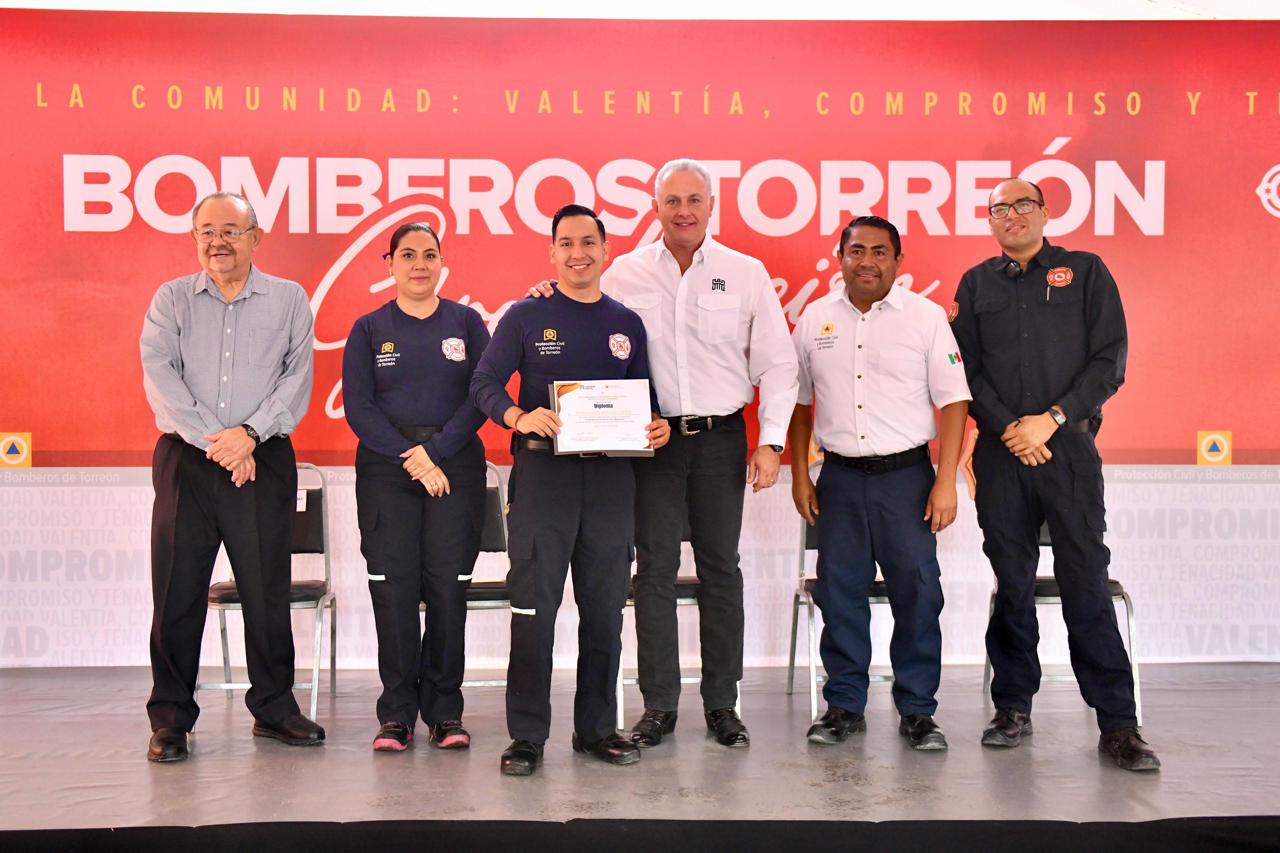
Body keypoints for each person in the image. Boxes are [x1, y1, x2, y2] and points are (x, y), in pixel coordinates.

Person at [529, 158, 798, 748]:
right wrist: (545, 296)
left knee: (720, 570)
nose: (683, 210)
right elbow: (577, 306)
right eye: (671, 200)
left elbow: (778, 365)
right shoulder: (623, 273)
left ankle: (723, 705)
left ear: (711, 206)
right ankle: (659, 706)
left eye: (693, 200)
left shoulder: (745, 272)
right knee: (652, 572)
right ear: (655, 208)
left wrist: (773, 442)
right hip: (648, 443)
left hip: (723, 440)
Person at [950, 178, 1159, 771]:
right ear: (989, 220)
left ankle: (1118, 723)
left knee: (1086, 582)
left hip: (1067, 449)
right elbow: (962, 368)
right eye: (999, 208)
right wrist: (1010, 427)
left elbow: (1109, 358)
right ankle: (1013, 707)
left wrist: (1053, 419)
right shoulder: (976, 284)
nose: (1010, 215)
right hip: (1000, 454)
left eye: (1022, 205)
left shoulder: (1086, 271)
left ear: (1043, 212)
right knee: (1011, 583)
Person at [471, 204, 671, 776]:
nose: (578, 253)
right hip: (544, 481)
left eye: (589, 242)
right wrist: (515, 416)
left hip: (611, 481)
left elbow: (642, 401)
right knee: (534, 608)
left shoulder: (626, 322)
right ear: (551, 252)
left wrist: (654, 426)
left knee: (605, 609)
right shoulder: (526, 316)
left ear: (605, 250)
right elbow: (484, 382)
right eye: (566, 243)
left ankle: (597, 729)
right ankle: (528, 736)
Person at [139, 192, 320, 762]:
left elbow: (296, 378)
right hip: (187, 461)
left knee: (266, 589)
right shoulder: (171, 300)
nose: (218, 241)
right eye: (207, 231)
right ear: (195, 238)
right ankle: (171, 718)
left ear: (256, 237)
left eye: (231, 231)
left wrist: (249, 434)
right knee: (176, 592)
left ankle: (274, 708)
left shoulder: (289, 299)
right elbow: (160, 377)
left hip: (262, 457)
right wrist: (220, 442)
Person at [788, 216, 970, 751]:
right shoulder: (814, 319)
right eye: (857, 250)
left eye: (881, 252)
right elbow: (800, 403)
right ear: (840, 256)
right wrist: (801, 473)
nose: (867, 260)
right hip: (839, 480)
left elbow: (955, 399)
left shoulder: (926, 317)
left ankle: (917, 710)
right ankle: (844, 706)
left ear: (898, 261)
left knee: (918, 595)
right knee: (840, 596)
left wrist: (946, 480)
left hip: (908, 481)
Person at [342, 222, 491, 752]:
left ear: (442, 262)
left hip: (455, 468)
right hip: (388, 469)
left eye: (430, 254)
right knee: (395, 592)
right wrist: (414, 459)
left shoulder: (468, 323)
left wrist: (437, 453)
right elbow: (359, 407)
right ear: (389, 264)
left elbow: (482, 396)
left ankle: (446, 714)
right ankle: (397, 715)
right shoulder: (368, 329)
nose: (419, 264)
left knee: (450, 592)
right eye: (408, 255)